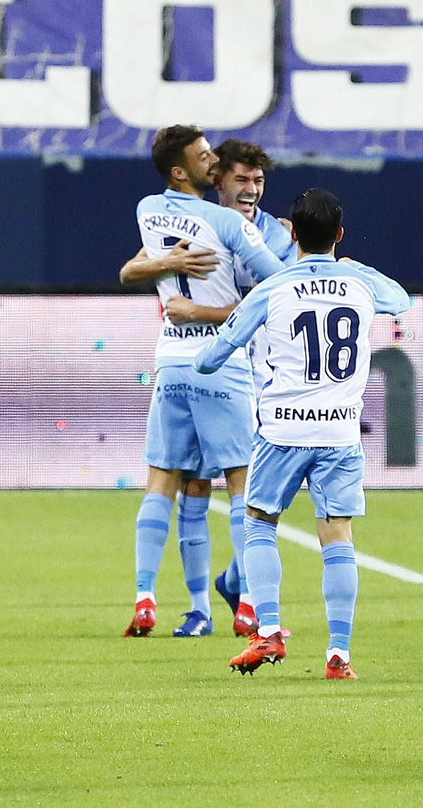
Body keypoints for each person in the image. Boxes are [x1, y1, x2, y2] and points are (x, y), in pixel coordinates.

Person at [200, 188, 411, 679]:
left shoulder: (273, 287)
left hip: (281, 430)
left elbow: (212, 358)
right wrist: (356, 268)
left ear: (291, 233)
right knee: (337, 536)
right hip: (340, 432)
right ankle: (339, 654)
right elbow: (400, 299)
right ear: (339, 235)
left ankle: (268, 632)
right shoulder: (361, 284)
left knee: (258, 522)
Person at [120, 138, 298, 638]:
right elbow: (131, 268)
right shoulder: (196, 222)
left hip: (246, 369)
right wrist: (165, 264)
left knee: (199, 485)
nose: (251, 190)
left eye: (258, 181)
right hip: (226, 369)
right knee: (202, 486)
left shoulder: (270, 233)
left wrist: (196, 309)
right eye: (240, 179)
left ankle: (219, 590)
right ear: (216, 180)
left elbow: (282, 299)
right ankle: (208, 608)